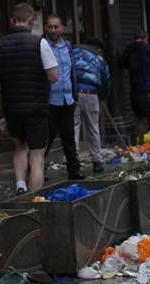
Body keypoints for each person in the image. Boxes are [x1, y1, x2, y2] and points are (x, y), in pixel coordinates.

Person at [0, 3, 58, 193]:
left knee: (19, 147)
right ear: (31, 21)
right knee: (37, 156)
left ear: (11, 21)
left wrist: (4, 79)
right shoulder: (40, 43)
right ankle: (34, 198)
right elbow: (53, 76)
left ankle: (20, 185)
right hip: (36, 108)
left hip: (12, 107)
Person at [43, 15, 81, 181]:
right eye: (50, 27)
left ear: (62, 28)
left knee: (68, 136)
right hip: (50, 100)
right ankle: (37, 168)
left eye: (56, 27)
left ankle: (74, 170)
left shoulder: (68, 46)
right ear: (45, 28)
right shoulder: (42, 46)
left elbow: (72, 71)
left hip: (67, 98)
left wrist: (75, 94)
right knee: (48, 136)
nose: (53, 30)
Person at [73, 38, 109, 173]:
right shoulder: (99, 58)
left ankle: (74, 160)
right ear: (99, 49)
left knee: (74, 127)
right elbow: (106, 79)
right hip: (91, 93)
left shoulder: (73, 52)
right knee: (93, 128)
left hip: (74, 93)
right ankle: (96, 161)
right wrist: (102, 95)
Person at [121, 31, 150, 140]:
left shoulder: (128, 50)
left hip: (136, 90)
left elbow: (121, 64)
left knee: (140, 118)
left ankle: (140, 142)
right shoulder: (149, 48)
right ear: (146, 38)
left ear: (134, 38)